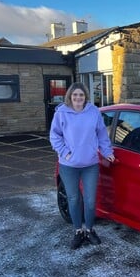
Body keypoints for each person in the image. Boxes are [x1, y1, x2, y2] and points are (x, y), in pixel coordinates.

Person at [49, 82, 115, 250]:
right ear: (70, 96)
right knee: (73, 199)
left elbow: (101, 133)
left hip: (90, 164)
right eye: (75, 95)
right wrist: (65, 153)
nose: (78, 98)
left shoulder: (93, 112)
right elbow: (54, 135)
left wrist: (106, 151)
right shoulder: (61, 113)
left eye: (81, 95)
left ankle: (90, 230)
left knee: (90, 200)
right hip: (68, 165)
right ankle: (78, 231)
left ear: (86, 97)